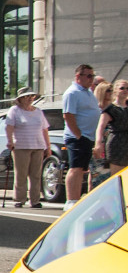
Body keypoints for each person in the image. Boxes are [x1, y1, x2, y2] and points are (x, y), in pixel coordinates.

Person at [4, 88, 51, 208]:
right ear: (20, 98)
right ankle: (19, 199)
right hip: (21, 146)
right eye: (27, 96)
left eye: (32, 96)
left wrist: (47, 146)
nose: (30, 98)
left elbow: (44, 129)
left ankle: (35, 200)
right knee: (21, 174)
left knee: (36, 174)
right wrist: (10, 141)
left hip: (38, 145)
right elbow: (9, 127)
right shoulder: (14, 110)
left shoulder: (38, 111)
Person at [62, 63, 100, 207]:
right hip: (77, 137)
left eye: (92, 76)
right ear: (78, 76)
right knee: (76, 168)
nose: (91, 79)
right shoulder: (72, 93)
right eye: (89, 76)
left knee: (83, 169)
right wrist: (78, 135)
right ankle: (71, 200)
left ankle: (77, 199)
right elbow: (68, 115)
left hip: (89, 136)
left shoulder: (88, 93)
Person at [94, 79, 128, 177]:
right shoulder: (110, 109)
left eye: (127, 88)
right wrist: (98, 144)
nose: (125, 90)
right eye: (122, 88)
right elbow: (100, 128)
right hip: (117, 144)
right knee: (118, 177)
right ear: (116, 90)